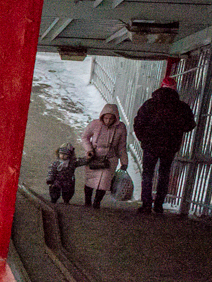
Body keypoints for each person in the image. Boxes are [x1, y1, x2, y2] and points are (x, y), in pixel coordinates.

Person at [132, 77, 196, 215]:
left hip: (150, 145)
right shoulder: (181, 107)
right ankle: (159, 205)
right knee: (164, 174)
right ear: (174, 88)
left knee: (148, 174)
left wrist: (144, 139)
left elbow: (138, 122)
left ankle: (146, 204)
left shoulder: (150, 104)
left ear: (161, 87)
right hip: (170, 146)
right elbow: (190, 125)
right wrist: (176, 130)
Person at [81, 103, 129, 208]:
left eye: (111, 119)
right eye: (106, 118)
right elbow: (85, 137)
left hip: (110, 159)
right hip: (94, 157)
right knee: (90, 180)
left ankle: (97, 202)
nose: (108, 121)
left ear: (115, 118)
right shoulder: (95, 124)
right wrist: (89, 150)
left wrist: (124, 162)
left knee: (104, 183)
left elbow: (121, 147)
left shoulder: (120, 128)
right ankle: (87, 202)